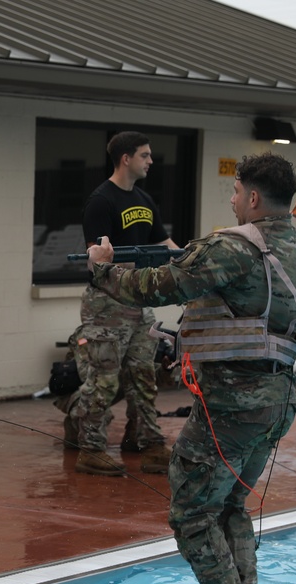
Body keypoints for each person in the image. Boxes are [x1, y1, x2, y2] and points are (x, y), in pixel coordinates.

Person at [87, 152, 296, 584]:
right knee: (230, 506)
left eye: (235, 193)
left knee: (192, 513)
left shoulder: (235, 247)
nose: (231, 202)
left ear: (253, 198)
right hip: (277, 400)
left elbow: (157, 286)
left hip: (232, 405)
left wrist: (104, 268)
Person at [70, 131, 179, 476]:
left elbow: (165, 244)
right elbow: (96, 260)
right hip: (106, 303)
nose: (150, 161)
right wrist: (135, 269)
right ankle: (91, 448)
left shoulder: (146, 200)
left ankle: (148, 443)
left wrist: (192, 258)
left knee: (144, 375)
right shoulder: (101, 201)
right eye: (145, 155)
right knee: (103, 379)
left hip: (139, 301)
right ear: (126, 159)